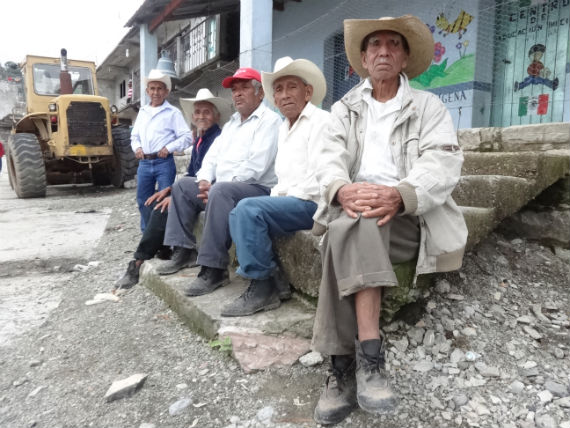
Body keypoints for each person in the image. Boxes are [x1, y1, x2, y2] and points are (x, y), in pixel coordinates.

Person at [310, 15, 468, 425]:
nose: (383, 51)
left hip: (409, 220)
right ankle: (366, 361)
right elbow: (327, 159)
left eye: (393, 44)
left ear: (404, 57)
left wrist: (401, 194)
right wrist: (342, 189)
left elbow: (443, 162)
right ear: (363, 58)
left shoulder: (428, 107)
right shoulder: (344, 109)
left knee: (352, 227)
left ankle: (341, 368)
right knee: (352, 223)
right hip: (354, 211)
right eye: (374, 44)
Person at [157, 68, 282, 298]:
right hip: (224, 189)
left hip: (256, 188)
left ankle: (214, 269)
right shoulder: (232, 124)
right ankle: (184, 251)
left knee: (222, 191)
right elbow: (212, 158)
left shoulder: (270, 121)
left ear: (260, 92)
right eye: (234, 90)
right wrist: (204, 180)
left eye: (244, 88)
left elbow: (257, 166)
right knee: (183, 186)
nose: (238, 94)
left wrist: (217, 187)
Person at [220, 57, 330, 317]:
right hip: (293, 201)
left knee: (248, 209)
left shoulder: (321, 122)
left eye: (292, 87)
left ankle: (262, 287)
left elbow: (322, 178)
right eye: (278, 90)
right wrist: (275, 202)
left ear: (308, 92)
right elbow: (284, 178)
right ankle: (273, 280)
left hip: (313, 204)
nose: (284, 95)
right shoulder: (284, 127)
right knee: (239, 212)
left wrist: (275, 204)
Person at [114, 89, 232, 290]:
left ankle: (139, 260)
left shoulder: (216, 138)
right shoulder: (200, 139)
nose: (201, 116)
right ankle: (165, 249)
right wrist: (168, 190)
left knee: (163, 209)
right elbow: (192, 173)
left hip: (210, 190)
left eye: (207, 112)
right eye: (198, 112)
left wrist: (176, 195)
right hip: (194, 187)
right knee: (153, 202)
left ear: (216, 116)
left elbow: (211, 176)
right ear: (193, 117)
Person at [130, 69, 192, 231]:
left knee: (164, 200)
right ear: (147, 91)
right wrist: (137, 148)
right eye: (152, 88)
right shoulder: (142, 112)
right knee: (143, 199)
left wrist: (169, 147)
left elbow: (187, 136)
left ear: (166, 91)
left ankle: (164, 240)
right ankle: (148, 237)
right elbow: (134, 136)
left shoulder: (173, 112)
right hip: (144, 162)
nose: (155, 92)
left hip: (164, 162)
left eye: (159, 88)